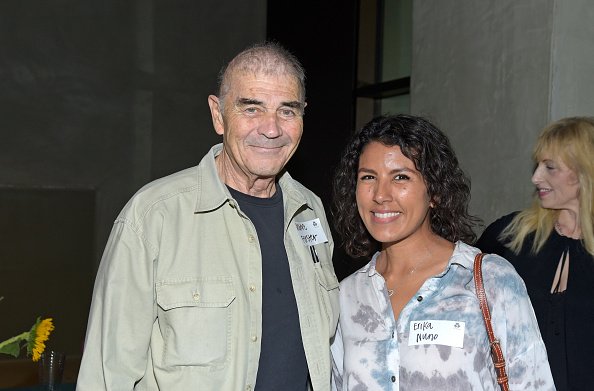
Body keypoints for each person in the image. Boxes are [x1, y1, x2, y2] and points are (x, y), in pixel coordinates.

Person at [76, 42, 340, 390]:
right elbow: (107, 376)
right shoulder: (153, 217)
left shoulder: (311, 211)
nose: (271, 128)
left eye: (287, 111)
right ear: (218, 115)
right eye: (252, 109)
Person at [329, 114, 555, 390]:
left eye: (401, 177)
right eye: (368, 177)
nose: (380, 194)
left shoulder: (490, 280)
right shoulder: (346, 296)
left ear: (434, 191)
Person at [476, 116, 594, 391]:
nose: (535, 177)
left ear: (585, 173)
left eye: (550, 168)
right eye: (538, 165)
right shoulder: (509, 236)